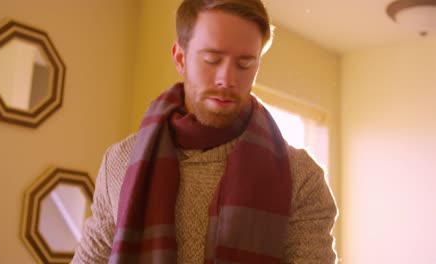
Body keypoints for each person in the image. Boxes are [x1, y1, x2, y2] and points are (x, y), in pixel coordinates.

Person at [72, 0, 338, 263]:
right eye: (212, 59)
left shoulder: (302, 178)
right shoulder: (119, 162)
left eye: (245, 64)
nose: (227, 79)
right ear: (180, 58)